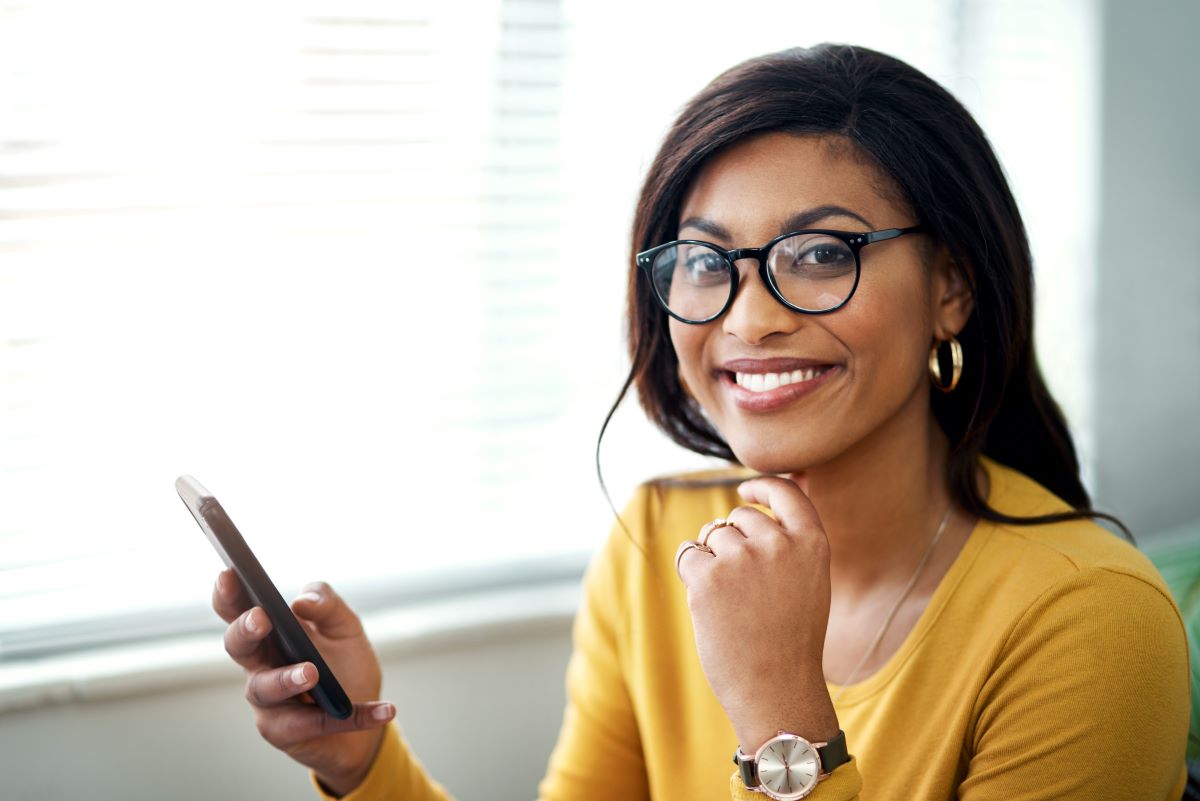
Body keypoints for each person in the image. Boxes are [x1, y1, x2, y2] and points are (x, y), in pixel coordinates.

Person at [211, 44, 1190, 800]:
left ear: (953, 286)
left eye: (818, 253)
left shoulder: (1090, 618)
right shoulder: (660, 542)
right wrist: (359, 759)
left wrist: (780, 715)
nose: (750, 317)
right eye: (708, 262)